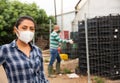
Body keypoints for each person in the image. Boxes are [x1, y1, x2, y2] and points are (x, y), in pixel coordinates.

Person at [0, 16, 49, 83]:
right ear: (15, 30)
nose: (28, 31)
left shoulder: (37, 50)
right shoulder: (5, 50)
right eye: (24, 28)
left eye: (31, 29)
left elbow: (41, 75)